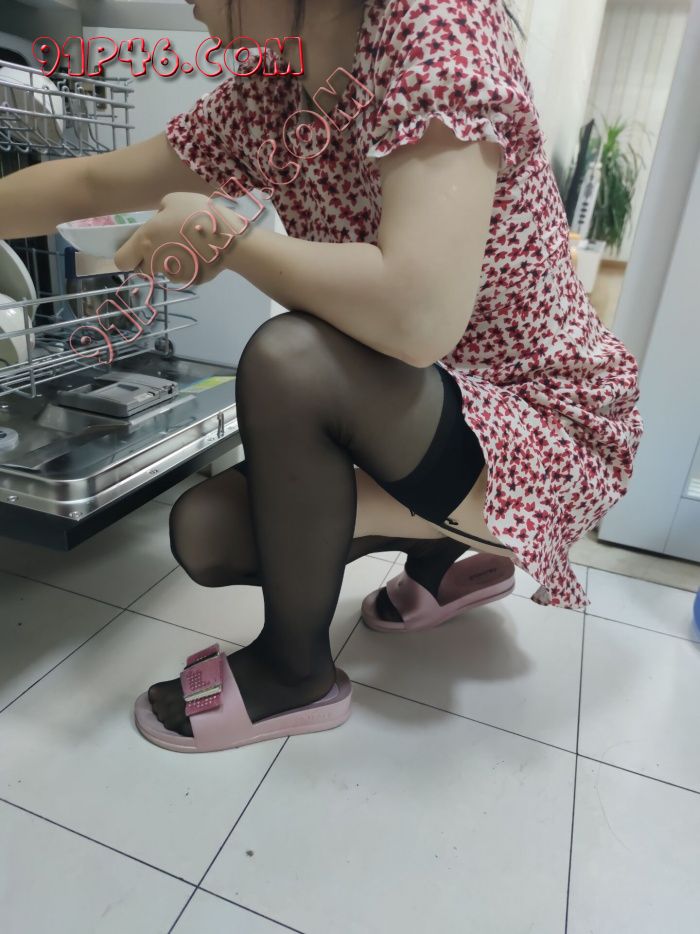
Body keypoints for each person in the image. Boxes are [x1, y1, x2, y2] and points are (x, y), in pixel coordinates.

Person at [0, 0, 644, 753]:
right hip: (426, 404)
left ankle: (293, 672)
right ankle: (440, 560)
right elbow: (90, 185)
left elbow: (416, 315)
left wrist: (232, 244)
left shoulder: (439, 29)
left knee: (293, 361)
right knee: (209, 532)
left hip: (547, 431)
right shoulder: (271, 95)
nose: (191, 3)